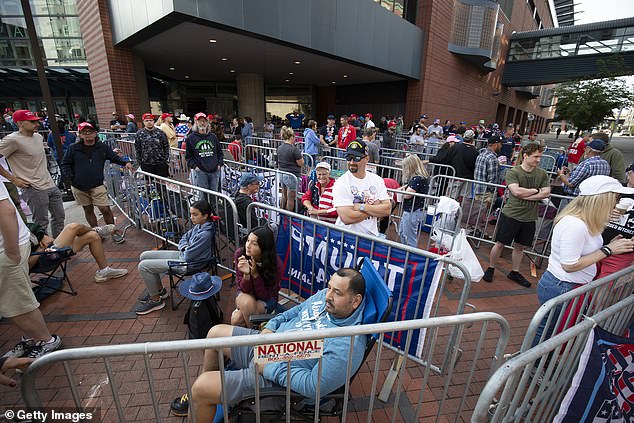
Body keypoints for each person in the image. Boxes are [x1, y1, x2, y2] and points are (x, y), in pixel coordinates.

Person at [176, 267, 367, 421]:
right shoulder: (326, 298)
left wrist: (269, 368)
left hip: (277, 379)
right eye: (330, 287)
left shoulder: (347, 344)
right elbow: (296, 310)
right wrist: (271, 327)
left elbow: (312, 386)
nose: (328, 295)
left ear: (355, 301)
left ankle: (202, 397)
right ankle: (204, 401)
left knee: (200, 387)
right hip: (269, 346)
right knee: (215, 333)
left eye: (337, 292)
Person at [531, 175, 634, 347]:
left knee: (552, 331)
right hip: (562, 286)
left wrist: (610, 244)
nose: (616, 203)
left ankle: (538, 364)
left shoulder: (584, 221)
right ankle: (532, 367)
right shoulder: (576, 224)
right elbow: (570, 265)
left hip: (568, 285)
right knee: (548, 332)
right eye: (614, 198)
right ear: (601, 200)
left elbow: (584, 251)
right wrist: (609, 250)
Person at [0, 181, 62, 361]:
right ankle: (32, 338)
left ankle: (45, 340)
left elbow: (7, 211)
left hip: (7, 251)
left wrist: (11, 252)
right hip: (10, 249)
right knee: (14, 302)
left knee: (18, 302)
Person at [483, 143, 551, 287]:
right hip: (511, 214)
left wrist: (528, 194)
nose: (539, 160)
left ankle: (515, 271)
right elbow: (516, 192)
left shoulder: (542, 173)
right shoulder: (513, 172)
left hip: (529, 217)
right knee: (500, 244)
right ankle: (490, 267)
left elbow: (546, 192)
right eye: (536, 156)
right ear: (526, 156)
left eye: (540, 156)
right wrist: (536, 191)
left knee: (520, 246)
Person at [133, 200, 216, 315]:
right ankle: (160, 291)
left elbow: (188, 255)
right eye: (191, 214)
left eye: (195, 214)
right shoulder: (199, 226)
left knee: (143, 266)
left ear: (205, 215)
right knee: (144, 255)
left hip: (188, 264)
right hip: (183, 256)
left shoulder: (205, 233)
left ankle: (156, 300)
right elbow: (183, 238)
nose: (191, 217)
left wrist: (184, 248)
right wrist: (186, 247)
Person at [61, 122, 132, 244]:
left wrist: (125, 163)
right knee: (88, 209)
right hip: (79, 186)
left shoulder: (102, 147)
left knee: (105, 209)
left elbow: (114, 157)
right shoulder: (73, 148)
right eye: (84, 132)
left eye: (90, 131)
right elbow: (65, 164)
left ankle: (113, 232)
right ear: (80, 135)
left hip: (97, 184)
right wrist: (71, 177)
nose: (88, 134)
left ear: (95, 133)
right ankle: (96, 233)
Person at [0, 110, 65, 237]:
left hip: (50, 184)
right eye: (32, 122)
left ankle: (59, 248)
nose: (37, 124)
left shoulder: (39, 137)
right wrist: (13, 179)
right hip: (33, 187)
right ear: (20, 123)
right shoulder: (12, 140)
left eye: (37, 121)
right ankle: (45, 252)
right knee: (41, 223)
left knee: (59, 217)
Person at [28, 222, 128, 282]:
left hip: (48, 249)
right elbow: (25, 264)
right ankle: (97, 230)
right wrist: (40, 250)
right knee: (73, 227)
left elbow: (38, 232)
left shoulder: (19, 224)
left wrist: (42, 238)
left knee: (93, 236)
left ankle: (104, 271)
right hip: (43, 256)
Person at [332, 140, 391, 237]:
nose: (351, 162)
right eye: (348, 157)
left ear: (367, 158)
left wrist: (361, 207)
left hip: (370, 237)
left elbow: (387, 210)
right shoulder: (341, 182)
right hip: (346, 238)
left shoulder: (377, 180)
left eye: (357, 158)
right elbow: (347, 218)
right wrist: (375, 209)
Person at [231, 226, 283, 327]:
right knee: (247, 302)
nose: (248, 246)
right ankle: (255, 333)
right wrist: (247, 275)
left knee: (236, 319)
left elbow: (266, 296)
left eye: (254, 244)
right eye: (248, 240)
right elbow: (243, 289)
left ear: (264, 247)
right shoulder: (240, 254)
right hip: (244, 295)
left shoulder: (276, 264)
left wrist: (255, 275)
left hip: (267, 299)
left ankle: (251, 336)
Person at [597, 166, 634, 279]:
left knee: (603, 288)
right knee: (583, 282)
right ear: (629, 173)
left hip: (623, 252)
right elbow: (592, 209)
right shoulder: (614, 189)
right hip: (596, 244)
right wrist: (605, 213)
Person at [185, 113, 224, 193]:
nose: (202, 123)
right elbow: (188, 156)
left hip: (214, 170)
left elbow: (220, 152)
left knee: (215, 193)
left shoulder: (213, 137)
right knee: (203, 194)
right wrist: (195, 166)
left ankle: (214, 206)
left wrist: (219, 164)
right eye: (200, 121)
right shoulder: (191, 138)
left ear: (207, 123)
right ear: (196, 122)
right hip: (201, 171)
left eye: (204, 121)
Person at [399, 155, 430, 248]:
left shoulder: (417, 179)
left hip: (413, 210)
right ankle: (407, 254)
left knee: (409, 236)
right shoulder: (421, 177)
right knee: (403, 232)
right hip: (414, 209)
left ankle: (410, 257)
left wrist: (401, 190)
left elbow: (407, 195)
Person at [276, 126, 304, 211]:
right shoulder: (294, 149)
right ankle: (288, 218)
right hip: (292, 175)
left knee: (284, 196)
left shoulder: (279, 148)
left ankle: (280, 214)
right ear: (291, 137)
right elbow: (301, 163)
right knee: (291, 198)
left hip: (282, 173)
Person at [135, 113, 170, 177]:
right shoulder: (139, 134)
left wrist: (165, 159)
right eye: (146, 121)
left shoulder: (161, 133)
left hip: (160, 163)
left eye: (150, 120)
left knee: (162, 183)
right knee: (149, 184)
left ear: (154, 121)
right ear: (143, 122)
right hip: (147, 164)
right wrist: (140, 162)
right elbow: (138, 149)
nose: (149, 122)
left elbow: (166, 146)